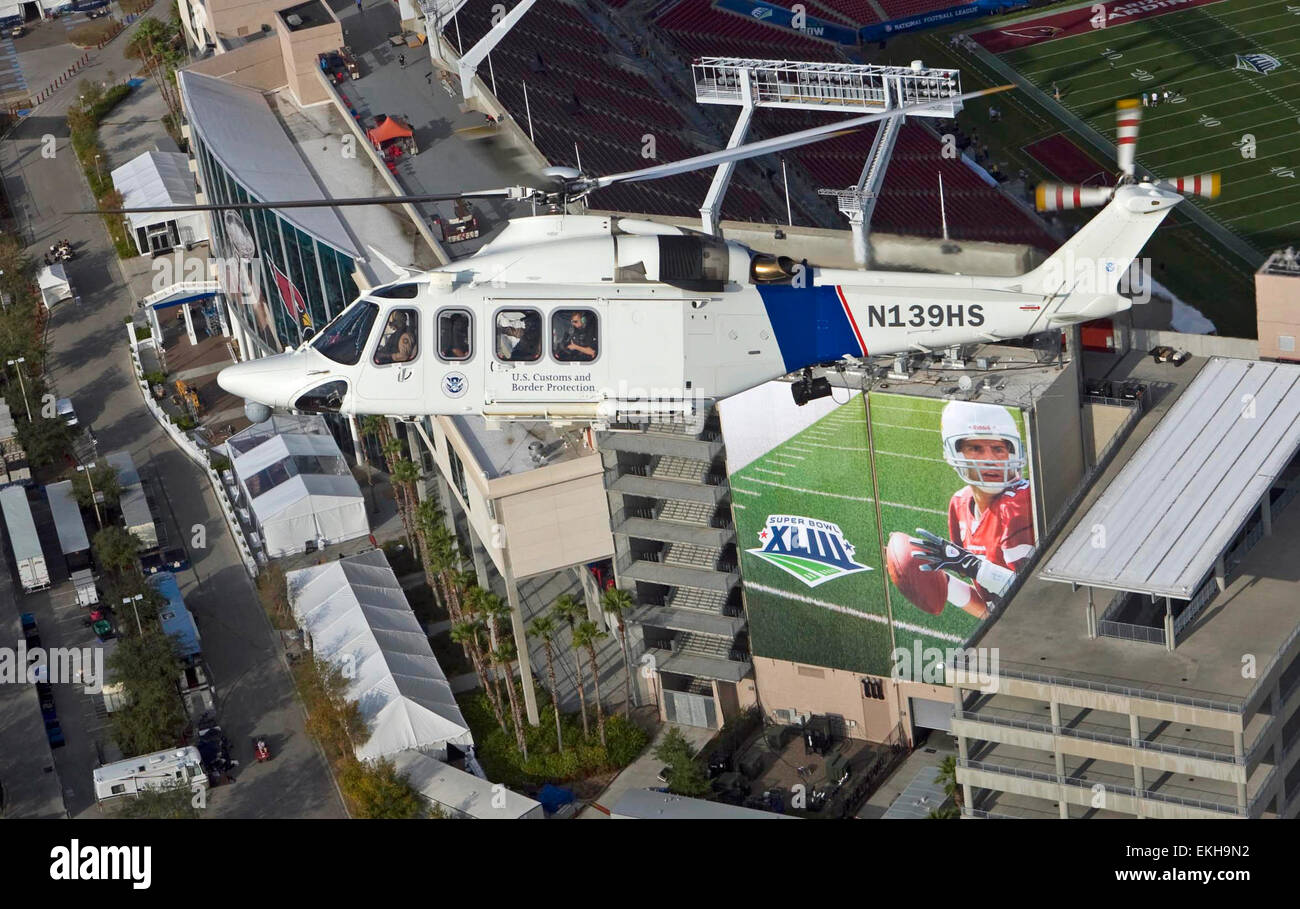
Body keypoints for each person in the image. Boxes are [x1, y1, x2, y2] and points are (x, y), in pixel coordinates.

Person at [895, 401, 1036, 620]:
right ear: (955, 453)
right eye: (976, 448)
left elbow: (1033, 602)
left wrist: (973, 566)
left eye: (999, 448)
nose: (990, 459)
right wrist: (944, 584)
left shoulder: (1019, 506)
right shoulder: (960, 503)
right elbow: (991, 608)